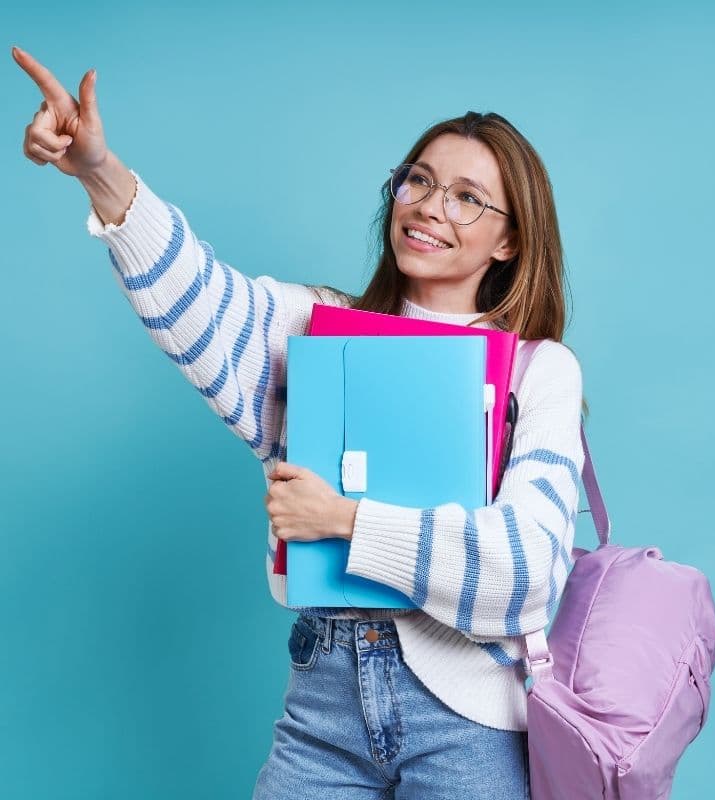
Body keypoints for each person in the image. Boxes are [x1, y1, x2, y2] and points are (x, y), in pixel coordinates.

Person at [13, 45, 586, 800]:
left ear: (510, 239)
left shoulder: (538, 371)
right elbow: (197, 293)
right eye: (419, 180)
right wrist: (97, 169)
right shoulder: (316, 331)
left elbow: (527, 576)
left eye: (466, 197)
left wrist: (346, 520)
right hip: (323, 710)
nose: (428, 206)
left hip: (468, 721)